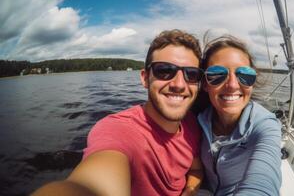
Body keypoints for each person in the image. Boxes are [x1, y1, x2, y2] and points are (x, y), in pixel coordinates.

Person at [32, 29, 204, 196]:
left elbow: (195, 169)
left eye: (192, 74)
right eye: (165, 70)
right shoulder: (118, 130)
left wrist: (190, 190)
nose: (180, 84)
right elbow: (90, 185)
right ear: (145, 78)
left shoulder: (191, 123)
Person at [195, 35, 282, 195]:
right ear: (206, 84)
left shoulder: (265, 125)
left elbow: (264, 182)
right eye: (217, 74)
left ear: (252, 82)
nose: (232, 85)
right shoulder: (197, 119)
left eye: (245, 75)